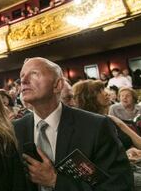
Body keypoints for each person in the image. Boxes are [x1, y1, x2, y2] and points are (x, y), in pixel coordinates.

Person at [14, 57, 133, 190]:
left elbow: (119, 186)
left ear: (57, 85)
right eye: (22, 76)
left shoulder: (95, 126)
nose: (23, 81)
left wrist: (55, 181)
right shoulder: (14, 130)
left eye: (34, 74)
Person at [73, 79, 141, 191]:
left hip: (135, 165)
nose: (106, 93)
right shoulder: (83, 126)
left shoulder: (112, 119)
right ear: (89, 97)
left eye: (104, 89)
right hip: (114, 175)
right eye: (100, 91)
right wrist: (124, 155)